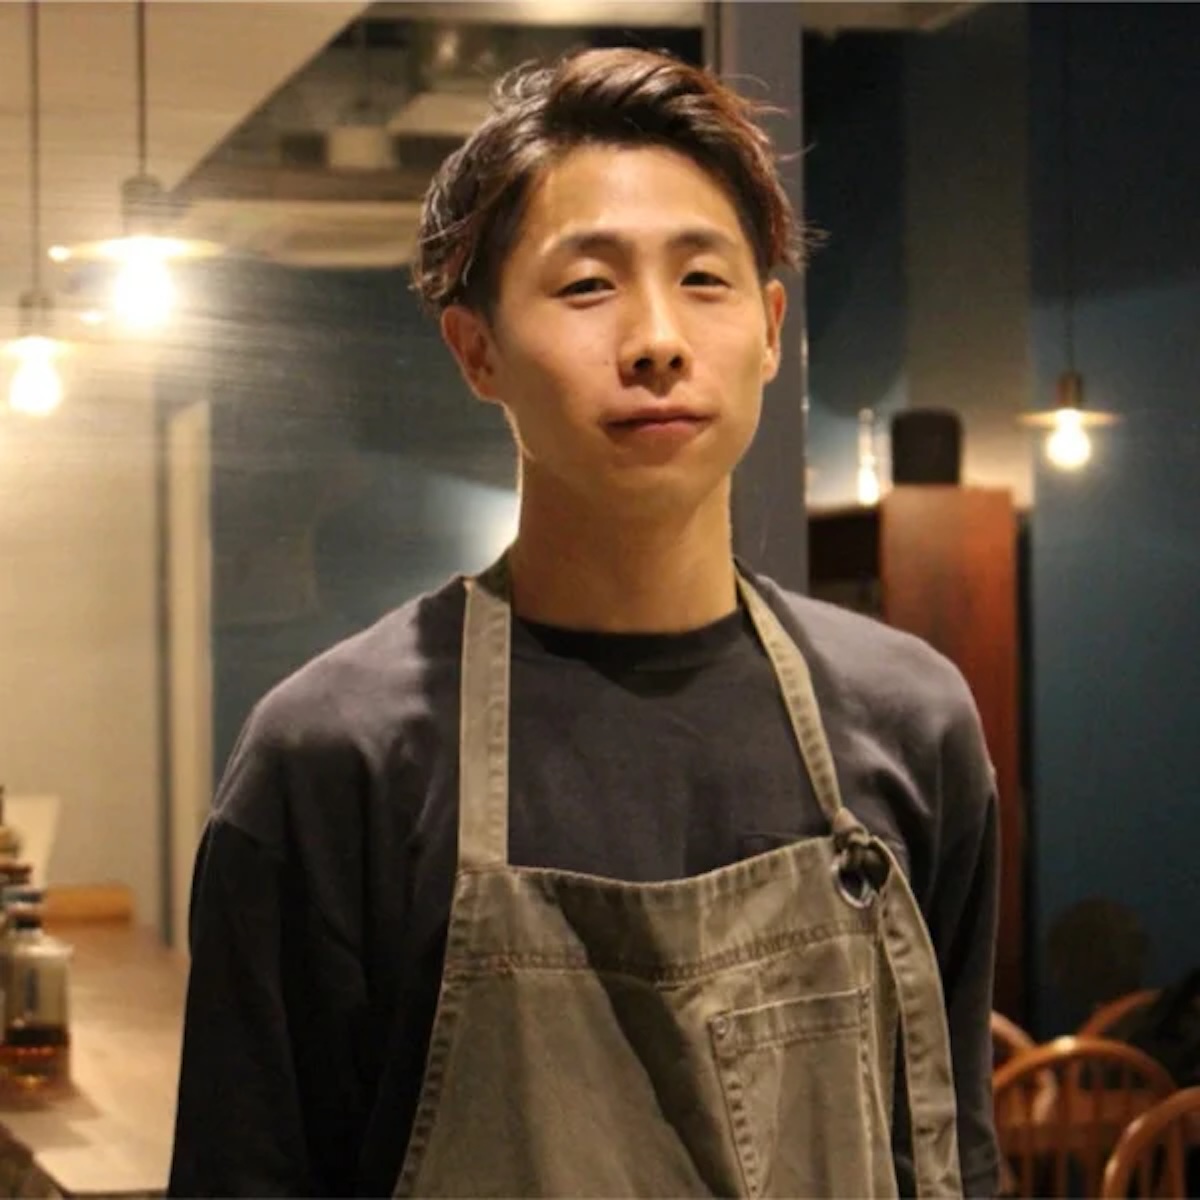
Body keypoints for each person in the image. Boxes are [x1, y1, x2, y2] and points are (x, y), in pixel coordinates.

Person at [169, 45, 1000, 1199]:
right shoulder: (334, 757)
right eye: (587, 286)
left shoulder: (911, 723)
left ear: (771, 331)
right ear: (477, 351)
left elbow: (955, 1156)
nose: (657, 338)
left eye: (703, 279)